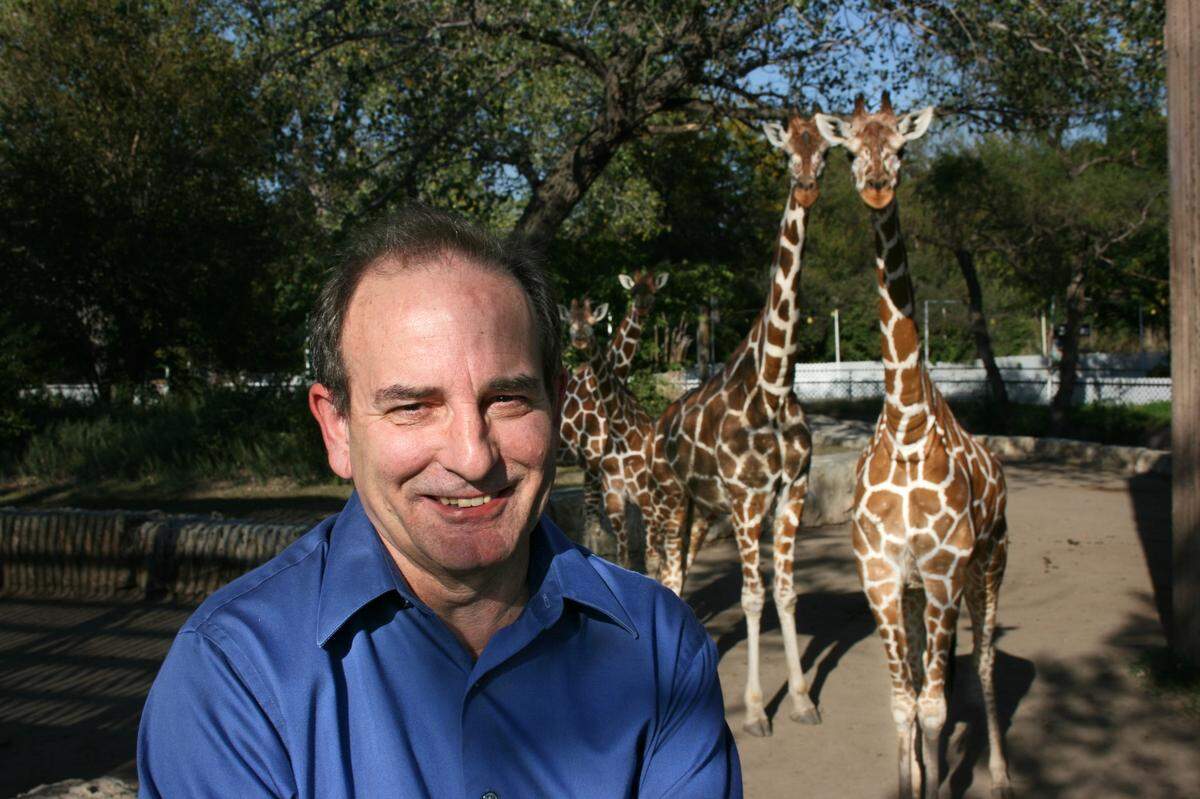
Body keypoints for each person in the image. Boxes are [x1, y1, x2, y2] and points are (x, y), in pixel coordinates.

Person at [136, 206, 741, 798]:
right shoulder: (234, 678)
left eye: (506, 397)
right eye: (412, 406)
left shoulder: (659, 648)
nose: (473, 457)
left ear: (555, 406)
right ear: (338, 429)